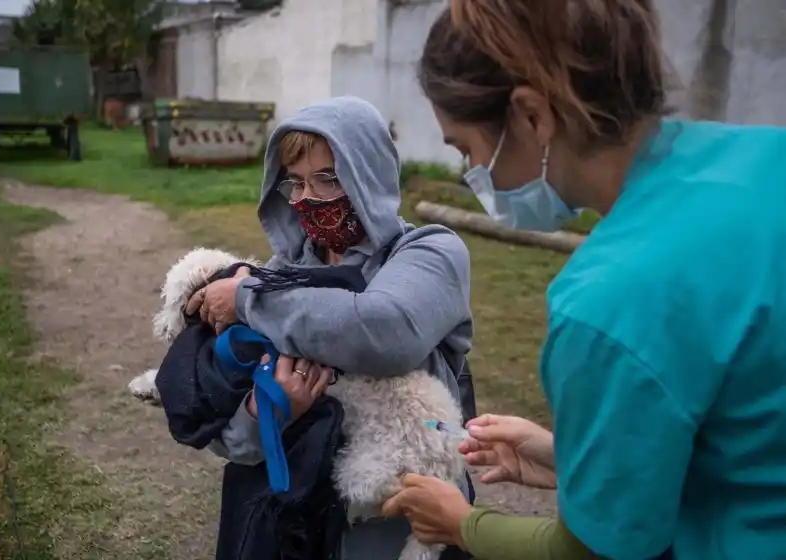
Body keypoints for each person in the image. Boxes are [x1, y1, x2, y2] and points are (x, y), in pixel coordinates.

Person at [382, 2, 786, 560]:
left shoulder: (610, 302)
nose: (472, 171)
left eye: (467, 149)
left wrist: (462, 523)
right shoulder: (764, 155)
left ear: (531, 116)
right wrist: (564, 455)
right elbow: (742, 428)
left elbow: (591, 551)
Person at [186, 95, 476, 559]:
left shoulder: (430, 253)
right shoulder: (280, 275)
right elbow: (228, 437)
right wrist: (270, 412)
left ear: (369, 175)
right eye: (296, 183)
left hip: (393, 522)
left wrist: (245, 299)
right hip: (294, 525)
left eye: (328, 179)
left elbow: (382, 332)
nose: (308, 198)